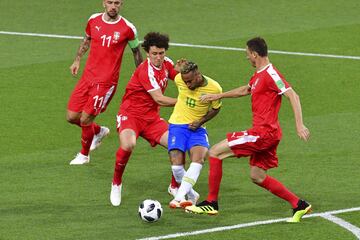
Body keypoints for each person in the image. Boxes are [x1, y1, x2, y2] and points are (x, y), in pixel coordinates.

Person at [185, 37, 312, 223]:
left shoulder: (271, 74)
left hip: (263, 133)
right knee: (257, 176)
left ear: (254, 54)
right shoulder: (259, 74)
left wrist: (299, 124)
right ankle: (299, 204)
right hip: (268, 134)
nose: (247, 59)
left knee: (214, 152)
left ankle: (211, 203)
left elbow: (293, 96)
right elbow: (245, 90)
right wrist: (219, 95)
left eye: (248, 55)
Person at [110, 32, 185, 206]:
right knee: (128, 144)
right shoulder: (145, 71)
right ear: (147, 54)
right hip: (131, 115)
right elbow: (159, 98)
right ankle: (116, 183)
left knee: (178, 144)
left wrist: (187, 72)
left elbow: (180, 79)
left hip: (151, 118)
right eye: (154, 54)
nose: (158, 57)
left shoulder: (167, 64)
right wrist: (184, 102)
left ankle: (174, 187)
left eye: (161, 53)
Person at [66, 0, 143, 165]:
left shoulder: (128, 28)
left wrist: (142, 78)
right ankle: (99, 131)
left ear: (121, 4)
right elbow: (86, 40)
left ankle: (84, 155)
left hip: (106, 82)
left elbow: (136, 52)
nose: (113, 6)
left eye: (117, 3)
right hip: (87, 77)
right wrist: (77, 60)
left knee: (85, 119)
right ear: (104, 3)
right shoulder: (93, 20)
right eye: (110, 2)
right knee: (72, 117)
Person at [167, 61, 222, 209]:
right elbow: (170, 71)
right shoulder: (180, 79)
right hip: (177, 125)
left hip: (197, 129)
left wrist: (201, 121)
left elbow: (216, 109)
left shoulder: (214, 88)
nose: (188, 85)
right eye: (185, 81)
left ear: (198, 75)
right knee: (177, 168)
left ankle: (179, 197)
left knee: (198, 160)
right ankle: (191, 195)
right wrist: (175, 67)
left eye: (190, 81)